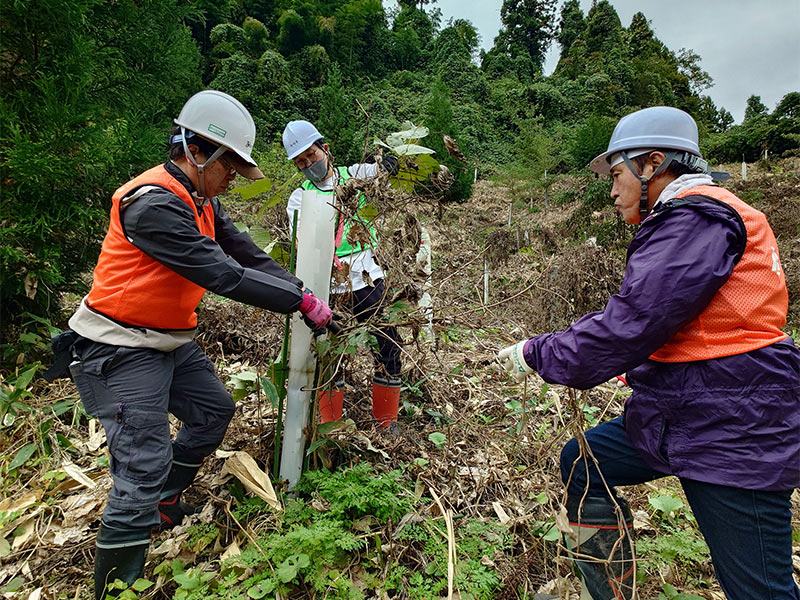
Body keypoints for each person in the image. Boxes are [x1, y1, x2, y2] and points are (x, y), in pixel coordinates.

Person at [498, 106, 799, 600]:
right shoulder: (696, 218)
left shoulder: (697, 217)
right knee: (583, 461)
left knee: (759, 591)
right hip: (685, 407)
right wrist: (644, 366)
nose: (612, 192)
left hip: (735, 423)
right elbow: (682, 319)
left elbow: (634, 319)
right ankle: (612, 591)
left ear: (654, 162)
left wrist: (537, 353)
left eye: (617, 175)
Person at [62, 90, 333, 599]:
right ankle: (117, 585)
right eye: (230, 164)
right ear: (198, 150)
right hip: (120, 348)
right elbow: (222, 274)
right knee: (142, 464)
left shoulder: (200, 201)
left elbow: (248, 256)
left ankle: (164, 501)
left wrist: (303, 292)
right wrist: (298, 302)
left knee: (213, 409)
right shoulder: (153, 205)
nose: (233, 177)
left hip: (165, 339)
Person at [282, 120, 404, 429]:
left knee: (387, 344)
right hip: (327, 284)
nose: (309, 164)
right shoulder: (300, 197)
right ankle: (330, 426)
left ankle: (386, 426)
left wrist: (388, 165)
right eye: (302, 162)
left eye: (312, 155)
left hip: (366, 277)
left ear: (325, 149)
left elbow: (383, 170)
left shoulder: (354, 175)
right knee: (328, 354)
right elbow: (304, 244)